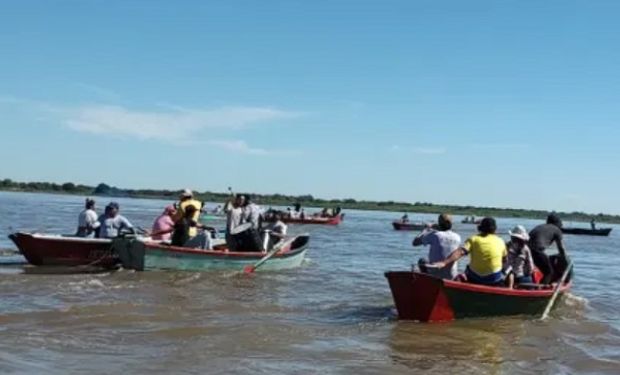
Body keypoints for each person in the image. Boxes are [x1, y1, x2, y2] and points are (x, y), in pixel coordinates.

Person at [430, 217, 507, 286]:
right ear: (495, 229)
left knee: (467, 269)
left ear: (480, 228)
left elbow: (460, 252)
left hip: (476, 278)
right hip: (493, 278)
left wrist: (444, 262)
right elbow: (505, 260)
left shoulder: (473, 239)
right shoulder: (501, 241)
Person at [413, 214, 461, 280]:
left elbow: (415, 243)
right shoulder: (457, 237)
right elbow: (447, 232)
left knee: (422, 260)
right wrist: (436, 227)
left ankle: (425, 280)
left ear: (439, 223)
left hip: (435, 274)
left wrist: (425, 229)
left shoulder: (434, 235)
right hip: (452, 275)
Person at [528, 213, 567, 284]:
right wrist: (564, 259)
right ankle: (540, 289)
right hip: (536, 250)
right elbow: (561, 248)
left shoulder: (540, 226)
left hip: (525, 249)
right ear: (557, 223)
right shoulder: (557, 230)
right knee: (549, 273)